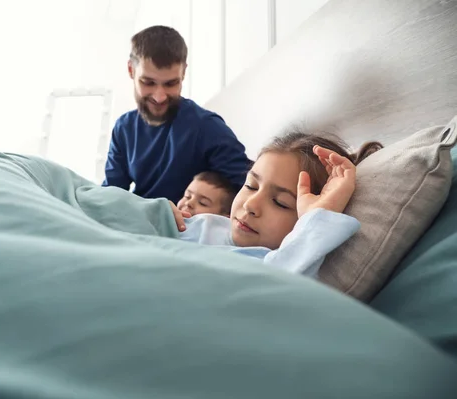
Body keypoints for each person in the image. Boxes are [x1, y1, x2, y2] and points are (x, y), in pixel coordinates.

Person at [170, 132, 383, 277]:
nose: (251, 204)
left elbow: (283, 283)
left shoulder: (277, 266)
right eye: (251, 186)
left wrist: (319, 214)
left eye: (280, 203)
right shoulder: (201, 225)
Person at [102, 25, 251, 203]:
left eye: (171, 84)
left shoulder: (207, 128)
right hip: (137, 222)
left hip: (183, 228)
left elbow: (251, 189)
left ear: (184, 73)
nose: (159, 97)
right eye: (148, 83)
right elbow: (110, 196)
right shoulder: (123, 128)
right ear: (131, 70)